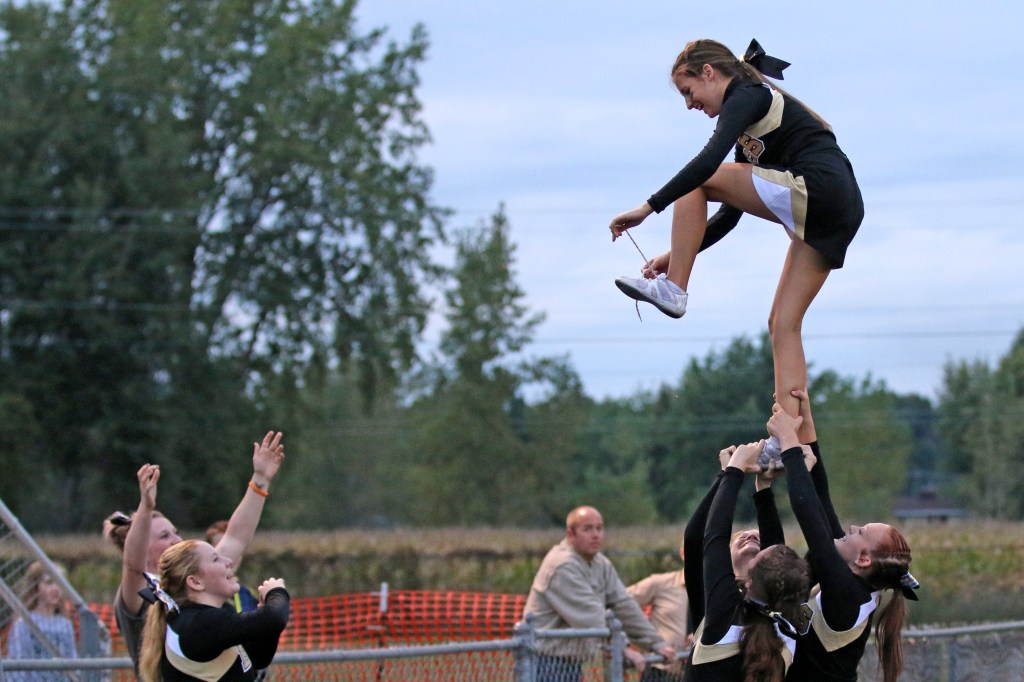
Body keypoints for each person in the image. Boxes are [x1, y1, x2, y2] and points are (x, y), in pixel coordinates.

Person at [609, 38, 864, 423]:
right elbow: (731, 213)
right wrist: (676, 254)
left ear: (709, 73)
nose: (689, 104)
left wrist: (648, 207)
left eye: (688, 91)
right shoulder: (749, 123)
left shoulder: (747, 95)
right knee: (782, 324)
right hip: (838, 206)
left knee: (699, 178)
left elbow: (706, 166)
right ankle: (792, 434)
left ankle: (675, 290)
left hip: (819, 187)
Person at [102, 431, 285, 674]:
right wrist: (145, 508)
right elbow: (133, 565)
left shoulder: (197, 578)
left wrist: (260, 479)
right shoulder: (143, 592)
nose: (176, 539)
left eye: (175, 532)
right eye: (164, 536)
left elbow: (235, 537)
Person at [766, 395, 918, 682]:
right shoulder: (851, 579)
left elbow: (808, 512)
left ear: (862, 559)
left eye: (860, 532)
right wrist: (806, 429)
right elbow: (821, 499)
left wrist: (789, 444)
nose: (850, 528)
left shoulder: (848, 596)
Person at [683, 441, 811, 681]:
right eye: (741, 536)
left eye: (758, 541)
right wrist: (763, 489)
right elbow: (696, 540)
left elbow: (711, 537)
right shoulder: (787, 624)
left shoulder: (721, 611)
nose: (752, 535)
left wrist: (731, 471)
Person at [522, 506, 676, 682]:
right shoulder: (562, 566)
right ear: (570, 534)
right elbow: (590, 615)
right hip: (544, 662)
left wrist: (656, 644)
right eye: (587, 529)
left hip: (570, 664)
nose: (595, 535)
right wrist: (621, 647)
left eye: (599, 528)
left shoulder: (600, 563)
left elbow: (624, 605)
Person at [137, 540, 290, 682]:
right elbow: (274, 618)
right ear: (195, 582)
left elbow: (257, 658)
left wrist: (264, 615)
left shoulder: (208, 617)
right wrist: (276, 592)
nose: (228, 562)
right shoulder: (197, 624)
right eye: (216, 559)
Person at [626, 544, 690, 681]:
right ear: (683, 553)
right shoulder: (660, 584)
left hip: (698, 673)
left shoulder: (716, 592)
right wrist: (636, 640)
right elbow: (619, 604)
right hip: (661, 670)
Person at [5, 561, 78, 682]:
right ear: (36, 588)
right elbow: (19, 671)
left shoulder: (65, 624)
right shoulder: (24, 624)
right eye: (49, 583)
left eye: (59, 583)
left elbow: (73, 664)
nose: (55, 589)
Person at [205, 521, 259, 614]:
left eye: (236, 551)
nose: (229, 559)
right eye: (222, 551)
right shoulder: (202, 596)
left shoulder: (248, 594)